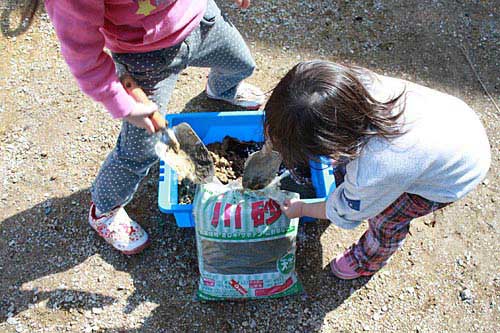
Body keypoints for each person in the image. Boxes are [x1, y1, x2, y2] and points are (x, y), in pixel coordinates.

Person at [45, 0, 264, 254]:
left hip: (202, 21)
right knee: (142, 148)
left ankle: (222, 88)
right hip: (145, 59)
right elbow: (83, 55)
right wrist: (123, 104)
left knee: (241, 63)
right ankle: (104, 209)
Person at [265, 60, 491, 279]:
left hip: (453, 174)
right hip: (453, 120)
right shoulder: (349, 86)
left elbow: (347, 210)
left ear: (333, 144)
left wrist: (302, 208)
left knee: (386, 219)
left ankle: (368, 259)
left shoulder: (375, 169)